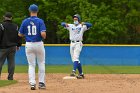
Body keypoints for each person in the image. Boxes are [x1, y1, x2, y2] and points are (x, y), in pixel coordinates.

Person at [18, 4, 46, 90]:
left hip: (29, 44)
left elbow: (20, 34)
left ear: (30, 11)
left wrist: (25, 34)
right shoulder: (40, 21)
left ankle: (32, 84)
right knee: (41, 63)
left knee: (31, 65)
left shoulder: (25, 21)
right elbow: (43, 34)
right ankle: (41, 83)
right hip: (38, 43)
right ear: (37, 11)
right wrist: (44, 36)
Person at [61, 14, 92, 79]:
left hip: (78, 43)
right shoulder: (70, 25)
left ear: (79, 20)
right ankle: (81, 74)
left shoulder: (82, 26)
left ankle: (74, 71)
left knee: (76, 57)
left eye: (76, 19)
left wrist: (85, 23)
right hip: (72, 43)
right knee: (75, 59)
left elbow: (90, 25)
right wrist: (65, 24)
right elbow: (62, 23)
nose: (75, 20)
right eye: (74, 19)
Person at [0, 12, 21, 80]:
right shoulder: (15, 26)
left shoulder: (1, 25)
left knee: (0, 62)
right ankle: (10, 77)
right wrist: (18, 45)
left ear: (4, 17)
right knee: (11, 62)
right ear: (11, 18)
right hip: (13, 47)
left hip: (3, 47)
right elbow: (19, 36)